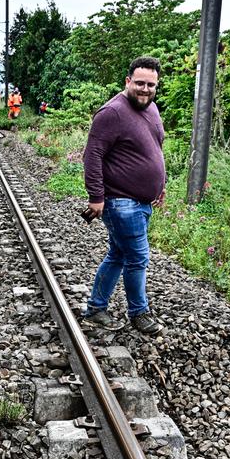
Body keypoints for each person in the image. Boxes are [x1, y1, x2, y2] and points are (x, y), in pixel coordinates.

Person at [80, 56, 166, 335]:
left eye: (150, 84)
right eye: (139, 83)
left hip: (141, 202)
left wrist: (159, 185)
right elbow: (92, 156)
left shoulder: (151, 108)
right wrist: (96, 197)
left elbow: (154, 147)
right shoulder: (112, 113)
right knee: (137, 258)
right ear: (128, 81)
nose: (145, 89)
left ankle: (95, 309)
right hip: (121, 201)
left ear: (156, 85)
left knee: (118, 254)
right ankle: (139, 313)